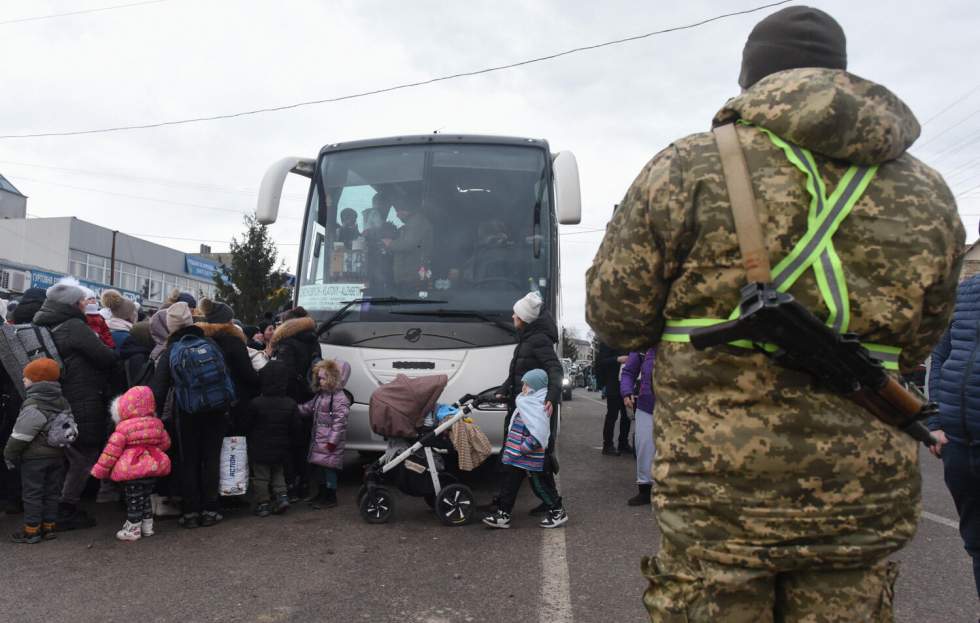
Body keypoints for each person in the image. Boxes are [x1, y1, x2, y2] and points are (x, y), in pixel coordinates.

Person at [585, 6, 964, 620]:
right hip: (860, 499)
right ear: (842, 72)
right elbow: (919, 342)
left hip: (717, 501)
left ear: (751, 83)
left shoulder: (686, 167)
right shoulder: (929, 193)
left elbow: (615, 319)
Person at [33, 279, 120, 531]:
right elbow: (106, 356)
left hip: (54, 397)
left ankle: (51, 507)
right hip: (81, 397)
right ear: (72, 303)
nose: (86, 304)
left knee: (63, 454)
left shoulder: (43, 324)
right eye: (82, 301)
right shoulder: (73, 326)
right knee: (84, 454)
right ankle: (65, 508)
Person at [149, 301, 228, 529]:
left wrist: (155, 420)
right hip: (216, 410)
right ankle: (211, 509)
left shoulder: (171, 350)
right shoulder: (210, 343)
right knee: (211, 459)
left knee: (189, 461)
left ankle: (191, 512)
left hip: (186, 412)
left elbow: (159, 389)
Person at [928, 274, 980, 602]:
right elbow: (940, 358)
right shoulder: (964, 291)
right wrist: (933, 422)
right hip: (959, 445)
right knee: (976, 543)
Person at [497, 291, 563, 517]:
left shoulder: (537, 340)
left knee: (526, 458)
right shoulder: (527, 338)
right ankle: (543, 501)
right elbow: (519, 371)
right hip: (522, 405)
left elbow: (555, 369)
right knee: (533, 458)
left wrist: (551, 398)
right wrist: (504, 389)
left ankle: (505, 506)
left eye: (515, 314)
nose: (512, 317)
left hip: (532, 410)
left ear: (524, 318)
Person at [483, 369, 567, 529]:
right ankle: (503, 514)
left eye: (527, 385)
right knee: (509, 485)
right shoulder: (526, 401)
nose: (523, 389)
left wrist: (524, 447)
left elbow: (539, 432)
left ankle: (557, 511)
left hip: (528, 456)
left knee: (539, 486)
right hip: (517, 456)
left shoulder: (538, 406)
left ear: (536, 387)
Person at [90, 386, 171, 541]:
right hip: (153, 468)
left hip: (131, 471)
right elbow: (166, 443)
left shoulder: (123, 428)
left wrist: (99, 471)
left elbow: (111, 452)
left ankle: (133, 529)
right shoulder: (157, 423)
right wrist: (150, 451)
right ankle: (147, 526)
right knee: (146, 497)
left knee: (134, 499)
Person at [3, 359, 69, 543]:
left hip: (35, 458)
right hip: (57, 454)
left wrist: (9, 454)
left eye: (26, 377)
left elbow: (21, 435)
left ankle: (31, 530)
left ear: (37, 381)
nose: (23, 380)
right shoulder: (62, 401)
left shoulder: (33, 404)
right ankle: (49, 527)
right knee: (52, 492)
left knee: (33, 494)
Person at [242, 360, 299, 517]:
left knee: (261, 476)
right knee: (278, 472)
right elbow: (295, 428)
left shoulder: (255, 403)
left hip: (259, 446)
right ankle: (282, 497)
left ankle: (263, 503)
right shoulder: (290, 403)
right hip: (281, 446)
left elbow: (247, 425)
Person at [197, 299, 260, 432]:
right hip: (234, 401)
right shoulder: (234, 342)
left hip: (207, 400)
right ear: (225, 321)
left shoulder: (202, 339)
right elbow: (248, 374)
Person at [299, 358, 350, 510]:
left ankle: (330, 496)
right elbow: (309, 408)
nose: (320, 381)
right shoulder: (322, 396)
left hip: (329, 443)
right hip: (319, 439)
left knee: (329, 470)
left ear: (334, 378)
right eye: (319, 378)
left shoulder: (339, 399)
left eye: (323, 378)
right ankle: (321, 494)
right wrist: (295, 409)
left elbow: (339, 423)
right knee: (320, 469)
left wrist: (332, 441)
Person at [621, 349, 655, 506]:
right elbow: (628, 371)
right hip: (646, 404)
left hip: (676, 407)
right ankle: (645, 489)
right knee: (644, 447)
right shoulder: (643, 345)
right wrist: (626, 392)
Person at [382, 200, 434, 287]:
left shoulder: (417, 221)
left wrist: (390, 243)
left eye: (398, 211)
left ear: (405, 210)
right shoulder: (411, 223)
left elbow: (408, 243)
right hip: (408, 276)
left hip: (413, 276)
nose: (397, 215)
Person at [596, 342, 630, 455]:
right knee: (612, 415)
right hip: (613, 384)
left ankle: (623, 443)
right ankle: (607, 445)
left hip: (627, 383)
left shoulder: (630, 339)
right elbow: (601, 362)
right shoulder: (608, 340)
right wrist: (618, 359)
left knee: (627, 416)